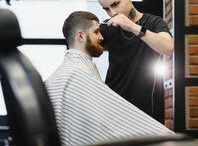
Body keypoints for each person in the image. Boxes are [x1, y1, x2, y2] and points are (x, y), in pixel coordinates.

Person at [44, 11, 173, 146]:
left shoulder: (70, 71)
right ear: (81, 36)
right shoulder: (77, 75)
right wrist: (165, 138)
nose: (101, 37)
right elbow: (106, 126)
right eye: (97, 32)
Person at [95, 0, 174, 124]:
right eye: (106, 9)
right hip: (113, 109)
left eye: (115, 4)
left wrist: (132, 27)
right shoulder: (107, 27)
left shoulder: (153, 22)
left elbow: (168, 48)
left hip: (146, 112)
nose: (112, 13)